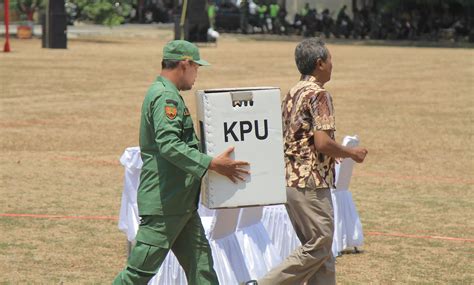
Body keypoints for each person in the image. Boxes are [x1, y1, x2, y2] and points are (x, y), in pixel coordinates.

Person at [113, 40, 250, 285]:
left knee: (202, 271)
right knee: (137, 274)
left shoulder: (167, 93)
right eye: (196, 68)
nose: (197, 74)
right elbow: (169, 145)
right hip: (165, 204)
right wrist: (211, 164)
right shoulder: (166, 97)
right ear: (185, 64)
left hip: (180, 203)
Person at [255, 38, 368, 285]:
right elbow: (322, 142)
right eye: (330, 61)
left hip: (290, 180)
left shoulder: (293, 91)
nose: (332, 66)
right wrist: (351, 153)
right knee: (320, 244)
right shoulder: (319, 95)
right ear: (319, 63)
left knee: (322, 254)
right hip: (311, 183)